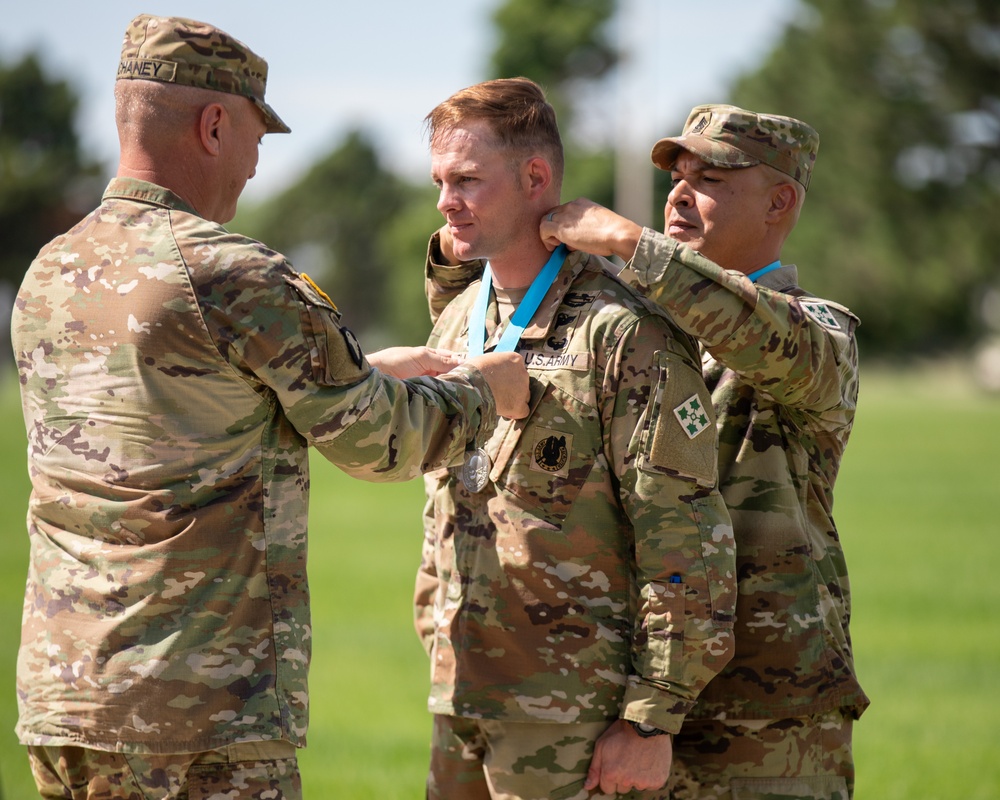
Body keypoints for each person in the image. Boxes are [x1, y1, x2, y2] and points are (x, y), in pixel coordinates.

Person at [10, 15, 529, 800]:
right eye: (257, 135)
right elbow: (381, 443)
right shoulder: (230, 273)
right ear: (215, 124)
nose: (256, 164)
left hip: (64, 698)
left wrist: (369, 370)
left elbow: (174, 418)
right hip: (197, 710)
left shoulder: (52, 269)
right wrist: (483, 392)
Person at [533, 105, 870, 799]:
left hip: (767, 716)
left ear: (781, 201)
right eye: (677, 176)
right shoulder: (641, 332)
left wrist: (631, 243)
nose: (680, 195)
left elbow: (754, 328)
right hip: (632, 696)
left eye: (712, 178)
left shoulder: (818, 335)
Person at [414, 77, 737, 800]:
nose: (445, 201)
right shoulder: (457, 316)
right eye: (439, 180)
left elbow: (684, 536)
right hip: (460, 694)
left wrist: (652, 719)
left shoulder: (621, 331)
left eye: (467, 179)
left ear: (536, 178)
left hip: (575, 718)